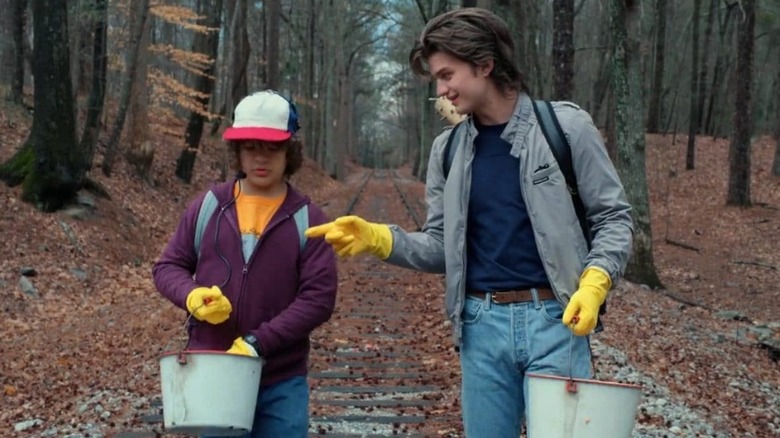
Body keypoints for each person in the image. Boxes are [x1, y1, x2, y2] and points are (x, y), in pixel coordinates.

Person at [305, 8, 633, 437]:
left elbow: (614, 218)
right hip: (481, 329)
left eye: (446, 75)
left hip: (558, 322)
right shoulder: (448, 150)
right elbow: (443, 245)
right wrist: (380, 238)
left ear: (484, 64)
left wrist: (595, 283)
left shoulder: (565, 128)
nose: (441, 90)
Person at [153, 90, 338, 438]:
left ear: (290, 151)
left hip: (281, 377)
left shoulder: (307, 218)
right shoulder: (209, 206)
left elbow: (318, 299)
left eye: (272, 148)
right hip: (216, 370)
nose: (260, 158)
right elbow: (167, 267)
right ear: (237, 151)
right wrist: (193, 297)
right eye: (251, 147)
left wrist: (258, 342)